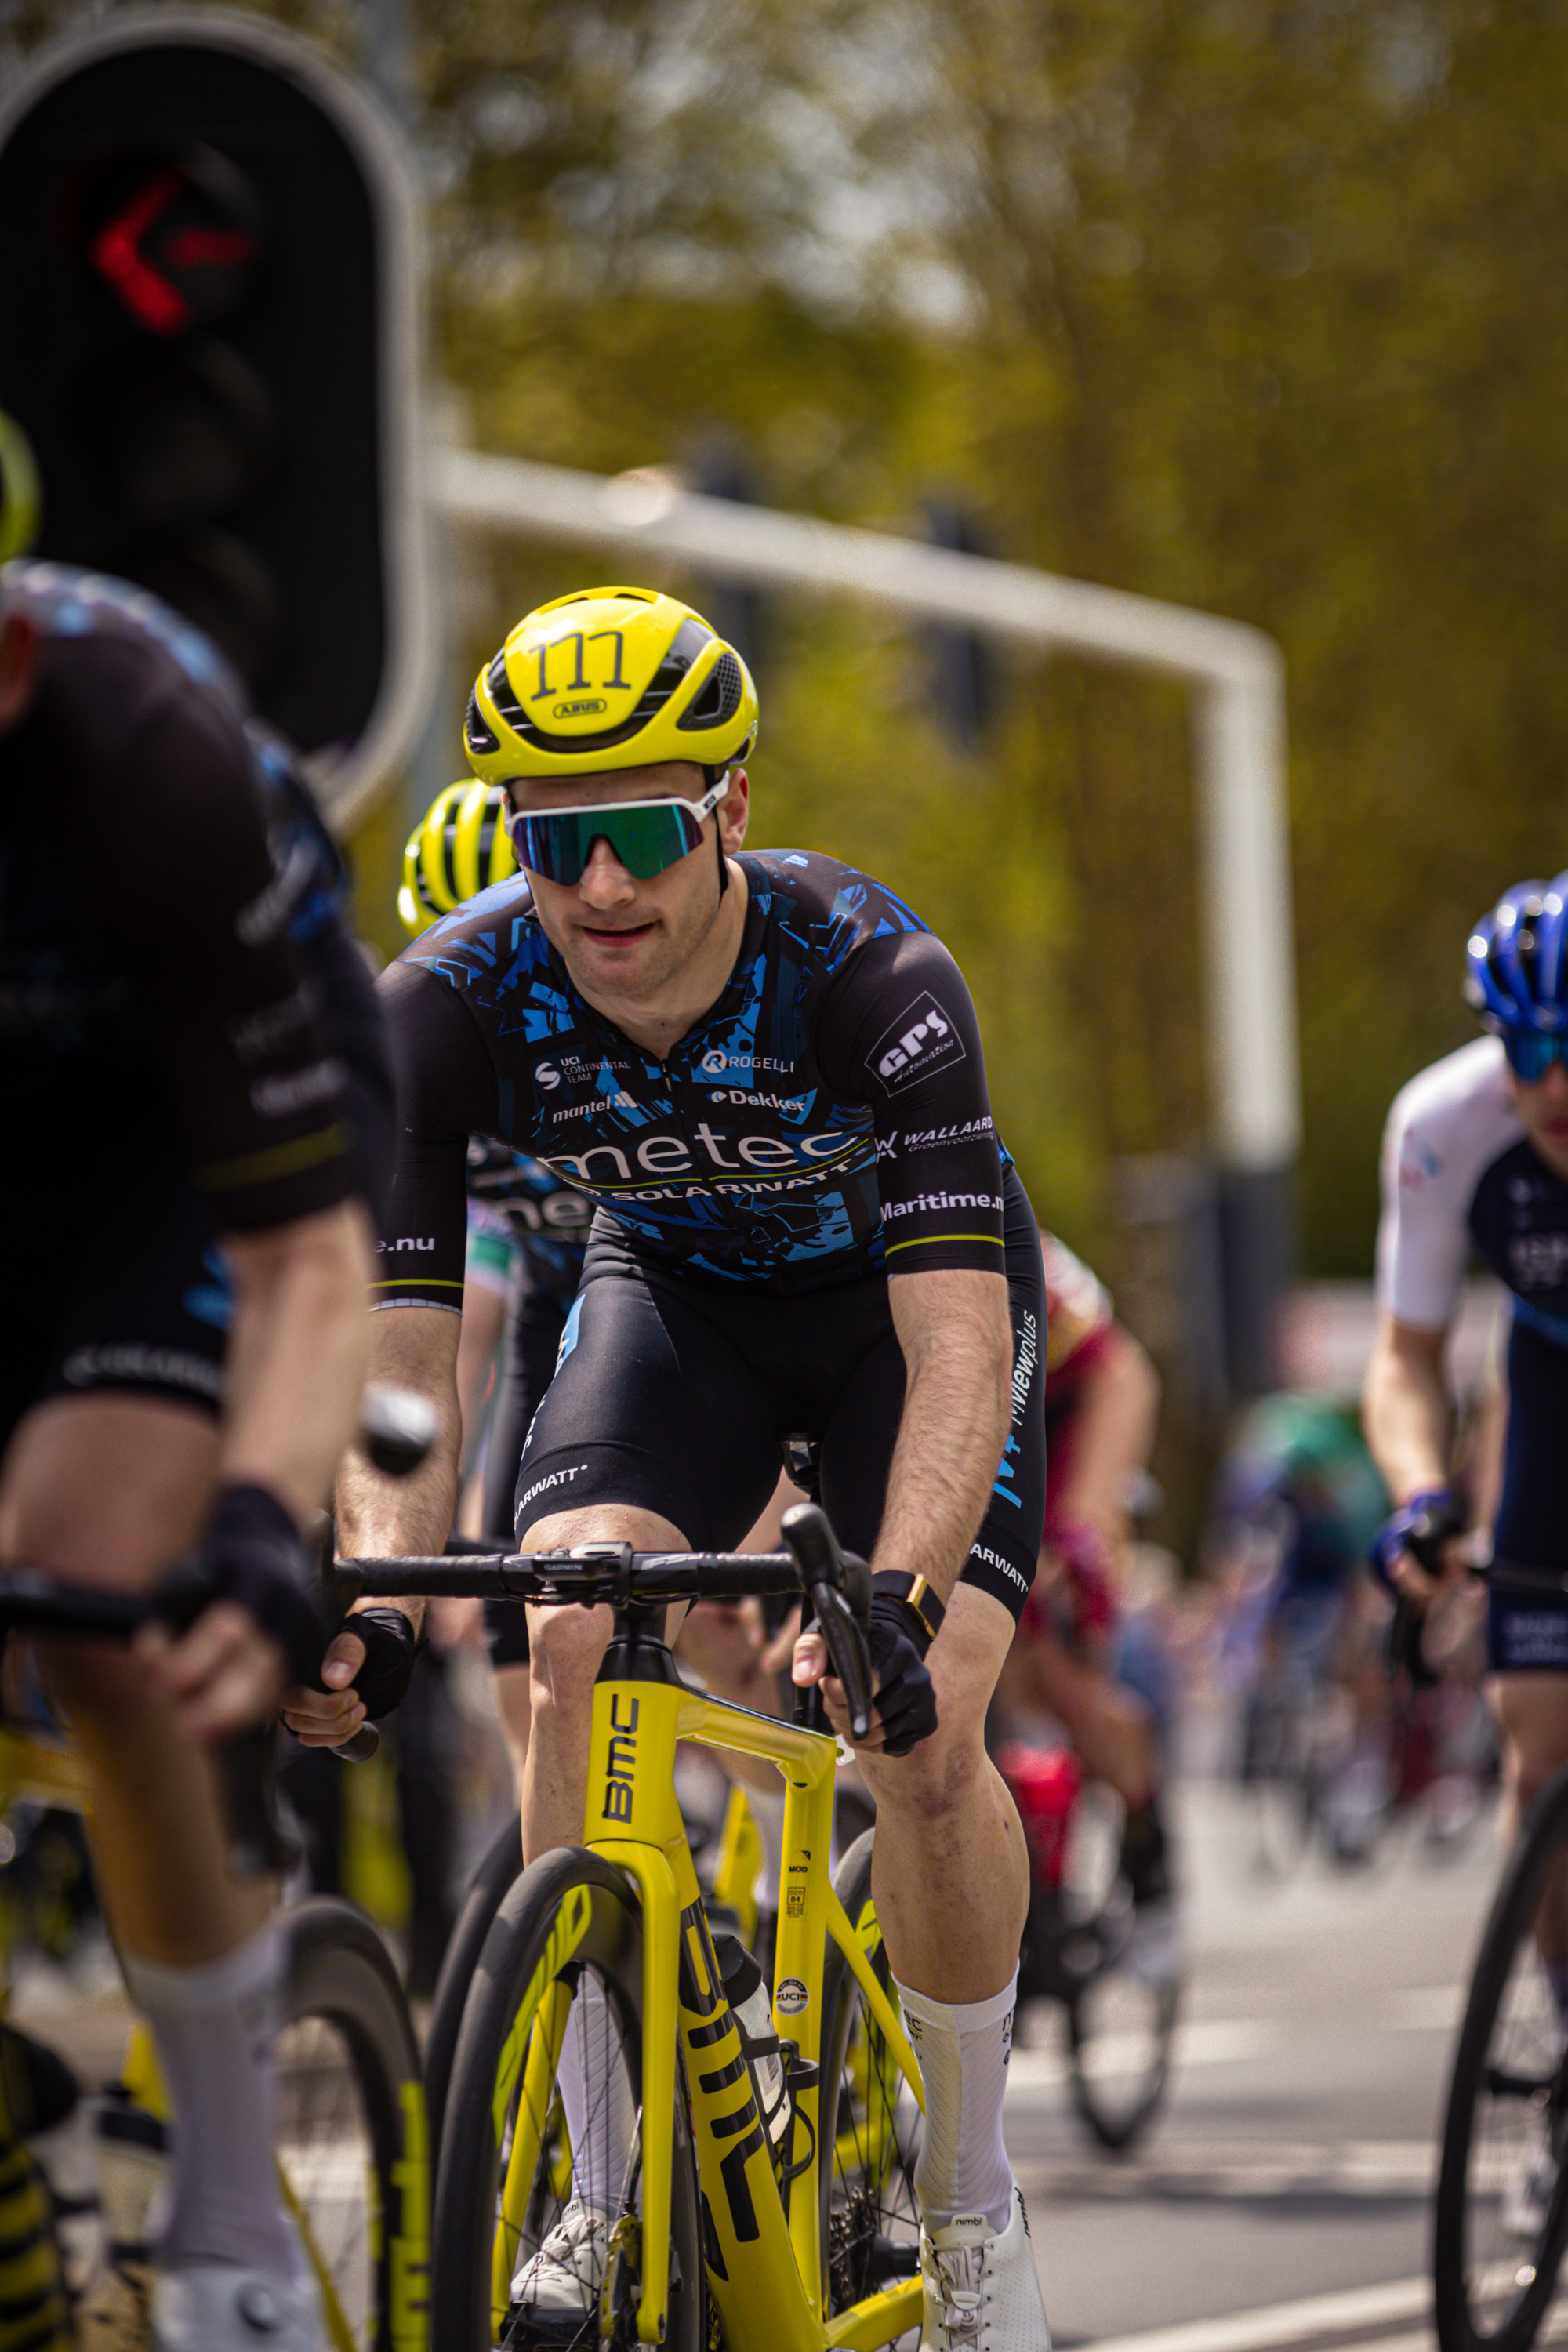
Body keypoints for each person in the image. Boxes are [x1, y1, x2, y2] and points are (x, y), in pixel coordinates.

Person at [315, 584, 1053, 2350]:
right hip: (684, 1307)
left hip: (898, 1320)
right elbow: (405, 1361)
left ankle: (966, 2202)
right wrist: (373, 1586)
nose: (596, 891)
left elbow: (959, 1343)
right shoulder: (449, 1000)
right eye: (552, 841)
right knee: (562, 1632)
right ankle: (597, 2174)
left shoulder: (873, 973)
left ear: (726, 808)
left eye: (640, 832)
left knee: (924, 1722)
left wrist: (903, 1590)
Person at [0, 561, 412, 2352]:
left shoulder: (144, 752)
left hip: (206, 1133)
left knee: (90, 1583)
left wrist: (256, 1515)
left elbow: (306, 1259)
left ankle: (233, 2218)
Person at [993, 1234, 1177, 1959]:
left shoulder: (1003, 1231)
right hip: (964, 1431)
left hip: (1073, 1420)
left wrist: (1079, 1533)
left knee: (1058, 1666)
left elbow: (1122, 1377)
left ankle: (1148, 1853)